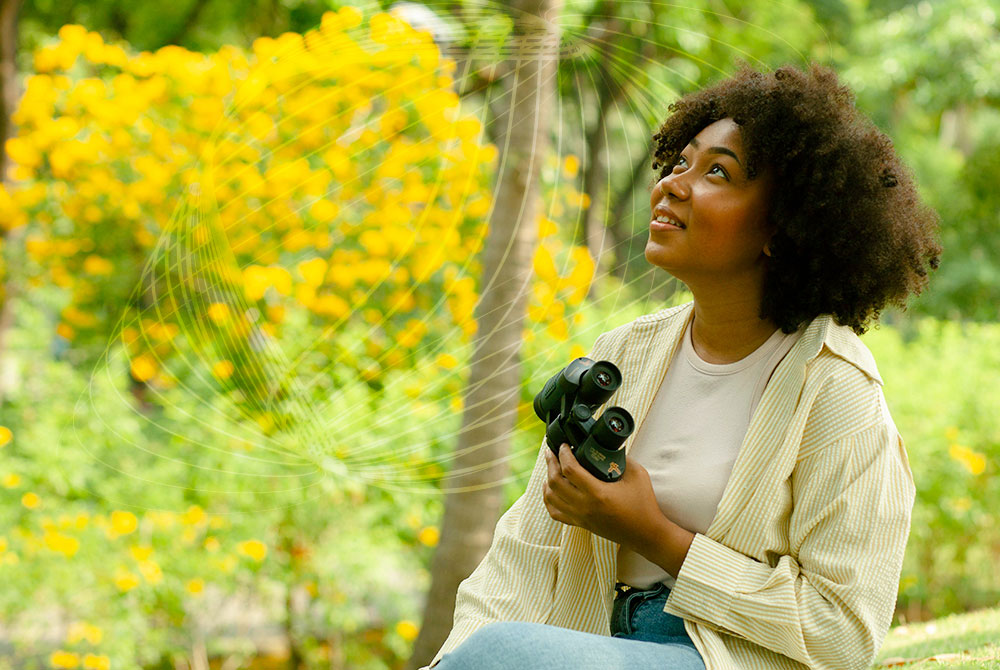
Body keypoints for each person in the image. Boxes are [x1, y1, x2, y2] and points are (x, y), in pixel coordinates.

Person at [424, 63, 942, 670]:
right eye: (681, 163)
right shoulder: (623, 355)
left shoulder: (835, 390)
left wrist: (658, 536)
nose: (674, 185)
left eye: (717, 172)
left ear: (783, 227)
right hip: (593, 644)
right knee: (493, 649)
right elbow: (523, 557)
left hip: (723, 658)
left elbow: (843, 633)